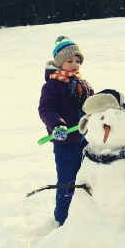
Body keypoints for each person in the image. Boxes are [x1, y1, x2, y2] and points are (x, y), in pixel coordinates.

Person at [39, 36, 94, 225]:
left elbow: (91, 105)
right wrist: (57, 125)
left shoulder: (83, 83)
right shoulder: (52, 85)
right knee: (68, 180)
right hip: (65, 142)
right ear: (60, 62)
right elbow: (46, 109)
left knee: (89, 176)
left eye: (77, 61)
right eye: (69, 61)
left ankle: (87, 213)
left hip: (85, 139)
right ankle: (63, 218)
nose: (74, 64)